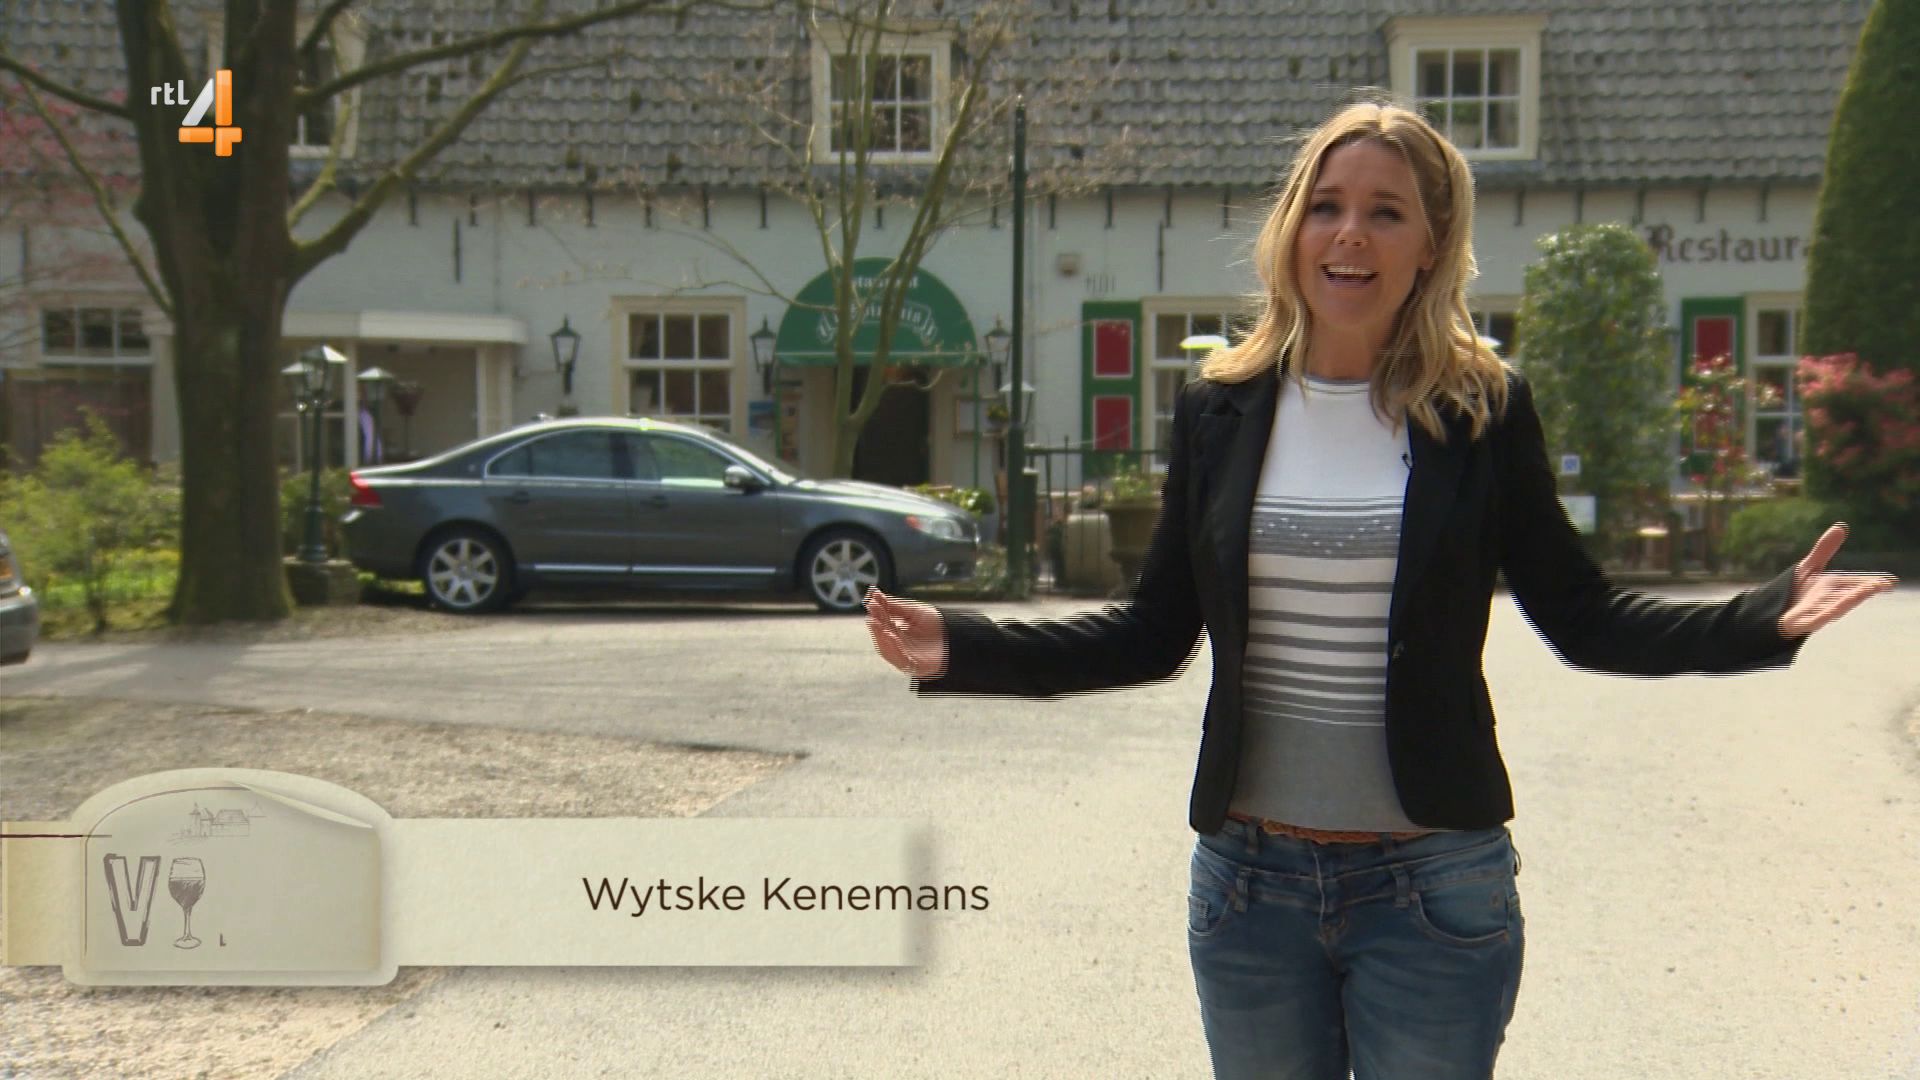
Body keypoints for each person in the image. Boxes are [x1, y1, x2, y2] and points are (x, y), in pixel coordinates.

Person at [863, 99, 1898, 1080]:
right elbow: (1151, 632)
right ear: (1293, 230)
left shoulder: (1482, 411)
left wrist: (1756, 620)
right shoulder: (1221, 409)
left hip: (1432, 890)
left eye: (1385, 212)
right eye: (1326, 205)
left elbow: (1583, 617)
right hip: (1249, 888)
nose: (1349, 233)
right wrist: (966, 646)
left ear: (1430, 246)